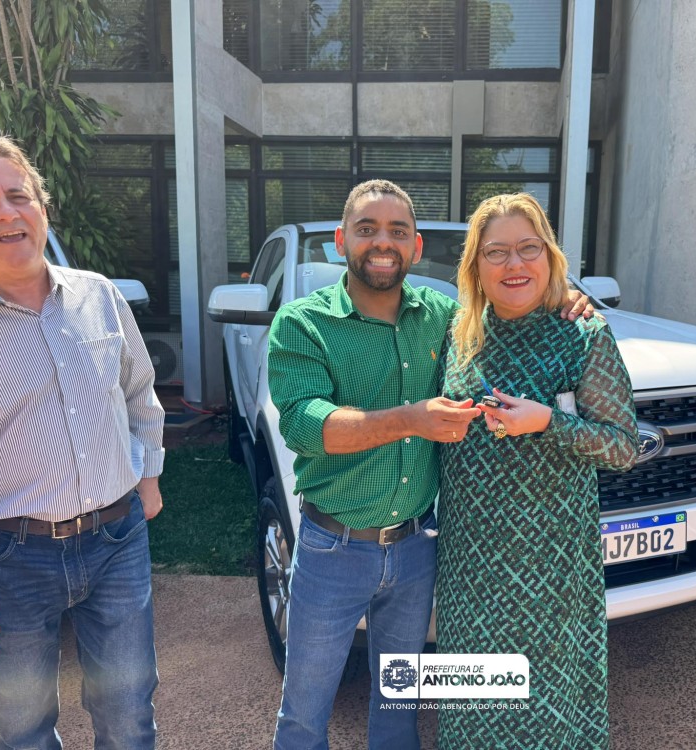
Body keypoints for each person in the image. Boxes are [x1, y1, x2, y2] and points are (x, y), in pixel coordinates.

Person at [267, 179, 592, 749]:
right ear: (342, 240)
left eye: (398, 231)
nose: (383, 242)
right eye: (367, 229)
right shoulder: (302, 323)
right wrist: (411, 419)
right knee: (304, 715)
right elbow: (304, 425)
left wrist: (561, 296)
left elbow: (508, 296)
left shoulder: (445, 318)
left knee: (399, 709)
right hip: (333, 550)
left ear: (415, 248)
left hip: (417, 549)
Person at [0, 128, 165, 749]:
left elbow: (139, 391)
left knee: (129, 717)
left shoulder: (99, 297)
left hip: (117, 540)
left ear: (42, 208)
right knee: (23, 732)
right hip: (5, 558)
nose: (6, 211)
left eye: (18, 194)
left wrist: (148, 479)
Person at [434, 193, 639, 749]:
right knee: (470, 709)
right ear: (475, 264)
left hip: (551, 571)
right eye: (496, 252)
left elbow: (623, 447)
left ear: (550, 255)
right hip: (470, 567)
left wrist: (548, 422)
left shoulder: (583, 334)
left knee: (545, 715)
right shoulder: (457, 334)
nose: (514, 264)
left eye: (529, 248)